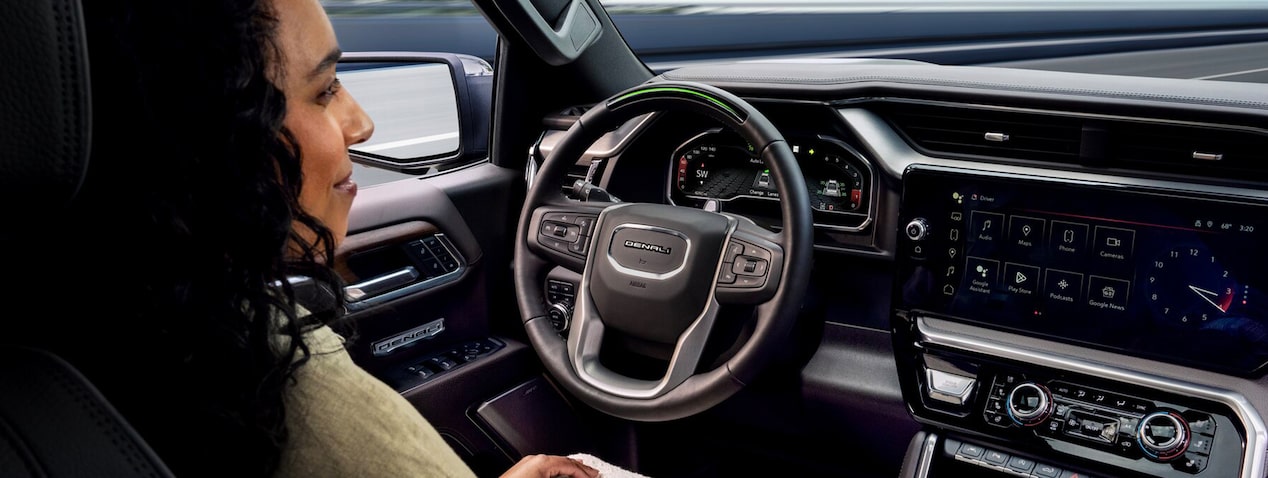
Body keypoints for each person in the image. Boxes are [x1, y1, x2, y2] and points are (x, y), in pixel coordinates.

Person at [10, 0, 616, 476]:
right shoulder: (278, 384)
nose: (362, 123)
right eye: (326, 89)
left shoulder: (103, 336)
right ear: (217, 141)